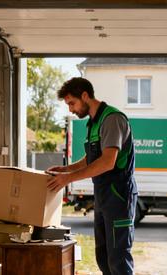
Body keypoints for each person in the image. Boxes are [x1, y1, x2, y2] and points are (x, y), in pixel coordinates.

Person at [46, 77, 136, 275]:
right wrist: (66, 170)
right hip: (103, 197)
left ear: (85, 96)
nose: (70, 109)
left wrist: (68, 179)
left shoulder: (112, 119)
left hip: (119, 197)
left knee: (118, 261)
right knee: (103, 258)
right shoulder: (93, 124)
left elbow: (107, 162)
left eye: (72, 103)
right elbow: (91, 159)